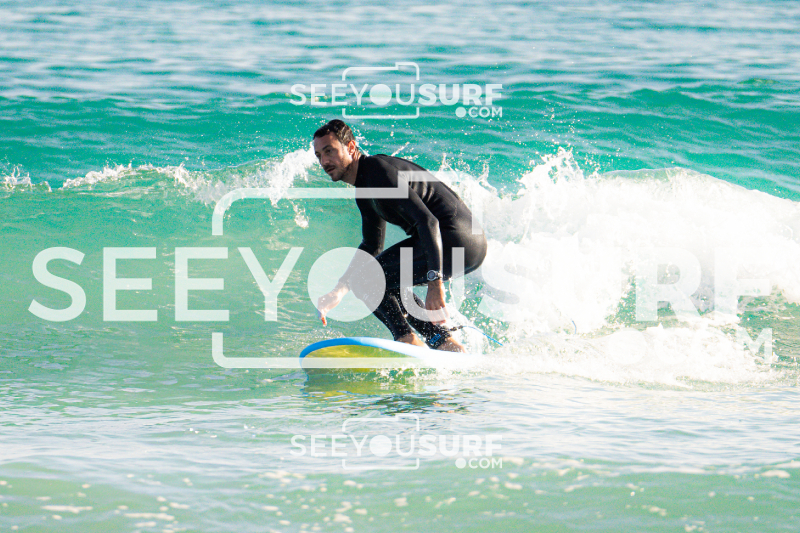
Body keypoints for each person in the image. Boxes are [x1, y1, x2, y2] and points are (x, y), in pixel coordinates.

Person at [313, 120, 487, 352]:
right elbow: (371, 245)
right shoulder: (365, 187)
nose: (324, 161)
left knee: (368, 278)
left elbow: (428, 222)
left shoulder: (377, 171)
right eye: (319, 156)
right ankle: (444, 342)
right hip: (463, 244)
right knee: (383, 278)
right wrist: (338, 291)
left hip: (457, 239)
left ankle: (407, 338)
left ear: (351, 147)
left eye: (329, 151)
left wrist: (435, 283)